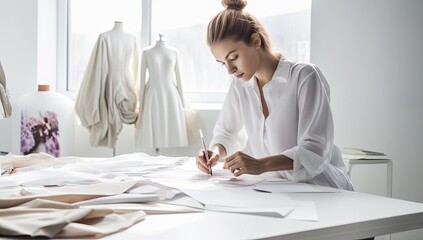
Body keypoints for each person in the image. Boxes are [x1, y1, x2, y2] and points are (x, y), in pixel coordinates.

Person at [196, 0, 354, 191]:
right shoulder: (241, 85)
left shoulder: (305, 77)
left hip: (321, 189)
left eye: (233, 58)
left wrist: (261, 164)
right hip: (279, 191)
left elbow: (314, 151)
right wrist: (215, 152)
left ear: (255, 40)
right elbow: (227, 133)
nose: (230, 70)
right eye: (223, 63)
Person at [75, 21, 139, 148]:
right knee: (110, 115)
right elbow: (98, 63)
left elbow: (136, 65)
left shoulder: (132, 38)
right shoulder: (104, 37)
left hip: (123, 82)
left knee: (113, 114)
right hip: (112, 80)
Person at [135, 34, 189, 149]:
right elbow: (142, 80)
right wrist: (141, 103)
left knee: (171, 128)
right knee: (153, 128)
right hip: (152, 94)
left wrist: (183, 104)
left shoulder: (174, 52)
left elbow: (179, 79)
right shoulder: (146, 52)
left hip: (171, 95)